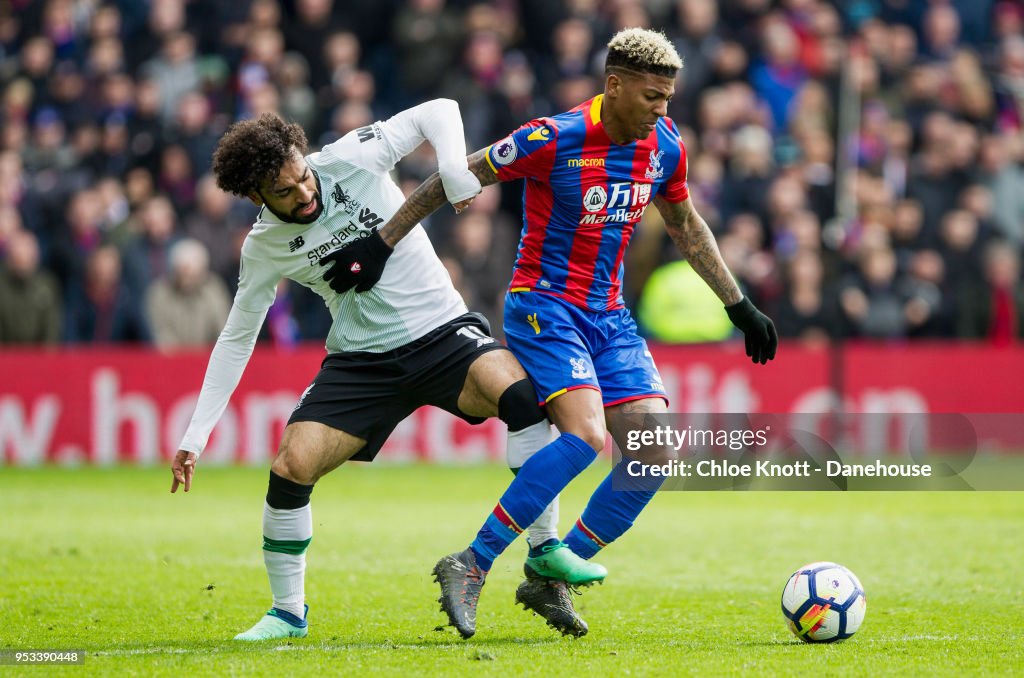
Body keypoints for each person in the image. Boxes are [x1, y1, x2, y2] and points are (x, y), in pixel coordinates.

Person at [319, 28, 778, 639]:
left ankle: (547, 577)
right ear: (614, 85)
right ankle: (471, 563)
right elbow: (452, 178)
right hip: (543, 306)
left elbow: (685, 222)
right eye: (651, 96)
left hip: (609, 316)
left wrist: (737, 303)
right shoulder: (552, 137)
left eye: (668, 97)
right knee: (586, 434)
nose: (662, 110)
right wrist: (381, 242)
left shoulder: (665, 146)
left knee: (654, 453)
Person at [169, 100, 605, 642]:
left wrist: (450, 169)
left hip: (445, 333)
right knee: (291, 466)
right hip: (362, 361)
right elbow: (238, 336)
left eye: (303, 176)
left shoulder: (350, 157)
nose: (305, 193)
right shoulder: (263, 247)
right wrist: (196, 433)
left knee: (521, 396)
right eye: (284, 191)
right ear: (255, 196)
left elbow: (441, 111)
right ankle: (287, 613)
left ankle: (544, 553)